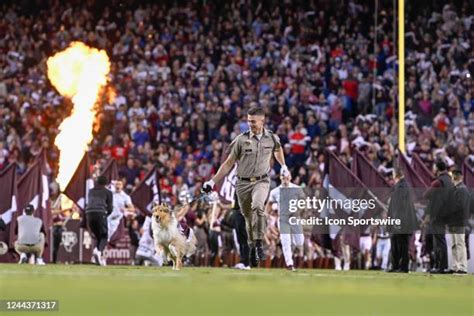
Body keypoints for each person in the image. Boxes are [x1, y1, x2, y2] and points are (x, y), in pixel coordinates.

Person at [203, 106, 288, 267]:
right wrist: (212, 182)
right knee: (239, 221)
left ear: (262, 121)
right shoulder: (241, 140)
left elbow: (278, 150)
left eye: (253, 121)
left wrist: (283, 165)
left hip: (260, 182)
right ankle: (245, 260)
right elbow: (228, 163)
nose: (250, 124)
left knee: (256, 206)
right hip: (241, 184)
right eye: (248, 121)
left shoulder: (272, 138)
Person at [266, 172, 305, 271]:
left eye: (287, 177)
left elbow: (303, 202)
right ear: (280, 178)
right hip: (283, 219)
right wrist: (267, 215)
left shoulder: (297, 189)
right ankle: (289, 264)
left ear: (290, 177)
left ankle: (292, 249)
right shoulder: (275, 191)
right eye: (283, 177)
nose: (285, 179)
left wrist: (298, 211)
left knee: (300, 241)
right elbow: (269, 204)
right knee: (285, 241)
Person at [424, 160, 453, 274]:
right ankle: (442, 266)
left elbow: (425, 195)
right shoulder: (450, 181)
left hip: (438, 214)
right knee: (441, 240)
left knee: (439, 241)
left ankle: (441, 267)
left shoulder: (438, 182)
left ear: (437, 168)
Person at [387, 168, 418, 273]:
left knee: (402, 244)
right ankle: (395, 265)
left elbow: (400, 206)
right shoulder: (401, 186)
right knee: (395, 243)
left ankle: (403, 267)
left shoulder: (402, 186)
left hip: (401, 220)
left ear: (396, 175)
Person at [85, 175, 113, 266]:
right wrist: (106, 214)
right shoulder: (108, 192)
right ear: (106, 183)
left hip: (89, 214)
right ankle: (98, 251)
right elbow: (110, 207)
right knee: (104, 236)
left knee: (97, 236)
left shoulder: (91, 191)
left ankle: (95, 257)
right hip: (100, 212)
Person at [446, 169, 470, 274]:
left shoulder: (462, 189)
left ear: (455, 177)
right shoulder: (456, 189)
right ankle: (455, 266)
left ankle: (462, 267)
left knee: (460, 243)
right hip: (453, 220)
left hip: (459, 220)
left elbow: (460, 206)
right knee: (455, 244)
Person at [232, 193, 250, 270]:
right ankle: (242, 261)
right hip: (237, 213)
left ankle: (246, 263)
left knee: (245, 239)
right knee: (240, 239)